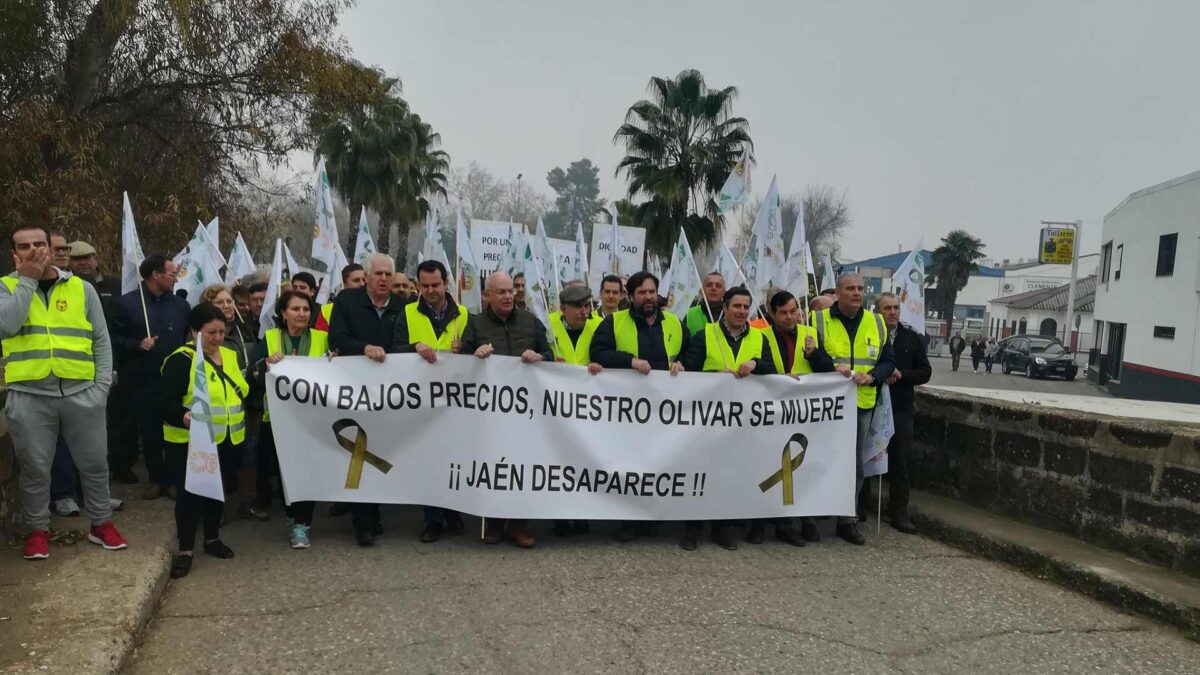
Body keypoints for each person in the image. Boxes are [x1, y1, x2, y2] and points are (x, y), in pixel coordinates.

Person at [2, 225, 128, 560]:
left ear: (52, 247)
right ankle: (38, 530)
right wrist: (27, 279)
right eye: (24, 246)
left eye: (39, 244)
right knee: (34, 468)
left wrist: (100, 388)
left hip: (81, 392)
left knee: (94, 464)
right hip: (29, 395)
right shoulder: (5, 287)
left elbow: (101, 340)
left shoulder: (81, 289)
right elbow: (7, 325)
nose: (33, 251)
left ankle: (101, 523)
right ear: (15, 254)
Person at [459, 271, 555, 548]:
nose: (507, 296)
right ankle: (493, 522)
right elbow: (461, 361)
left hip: (527, 413)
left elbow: (548, 354)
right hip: (491, 413)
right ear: (486, 295)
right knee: (493, 465)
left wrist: (539, 356)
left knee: (522, 467)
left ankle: (519, 525)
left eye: (510, 291)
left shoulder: (530, 322)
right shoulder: (476, 325)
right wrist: (473, 356)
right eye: (500, 292)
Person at [592, 271, 689, 543]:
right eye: (642, 293)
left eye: (652, 292)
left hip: (665, 411)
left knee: (659, 461)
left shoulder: (674, 323)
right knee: (630, 464)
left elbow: (688, 353)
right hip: (627, 413)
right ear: (631, 296)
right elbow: (598, 352)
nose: (648, 297)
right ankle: (628, 520)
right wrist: (629, 361)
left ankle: (653, 517)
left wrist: (682, 363)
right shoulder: (614, 322)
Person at [682, 286, 777, 551]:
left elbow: (773, 371)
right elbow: (690, 371)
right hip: (707, 420)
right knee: (700, 472)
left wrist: (756, 364)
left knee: (729, 474)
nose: (742, 311)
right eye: (737, 306)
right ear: (724, 307)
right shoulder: (705, 335)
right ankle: (693, 527)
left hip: (743, 423)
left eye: (746, 307)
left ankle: (722, 527)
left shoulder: (759, 339)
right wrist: (714, 376)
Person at [160, 303, 249, 578]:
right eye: (211, 332)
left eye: (222, 332)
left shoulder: (231, 356)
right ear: (195, 331)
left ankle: (212, 539)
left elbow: (241, 390)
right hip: (191, 443)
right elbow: (164, 402)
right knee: (190, 497)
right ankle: (185, 549)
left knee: (216, 492)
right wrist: (184, 416)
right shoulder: (181, 360)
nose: (218, 338)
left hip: (226, 439)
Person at [328, 253, 407, 546]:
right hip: (356, 390)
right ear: (368, 275)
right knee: (362, 448)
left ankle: (374, 513)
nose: (384, 279)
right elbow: (336, 339)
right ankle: (364, 522)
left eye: (389, 274)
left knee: (383, 451)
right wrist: (365, 348)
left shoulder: (403, 306)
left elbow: (402, 345)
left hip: (391, 393)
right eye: (378, 274)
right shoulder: (346, 301)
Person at [811, 272, 895, 545]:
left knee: (854, 466)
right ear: (838, 292)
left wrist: (873, 376)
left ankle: (847, 520)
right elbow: (812, 356)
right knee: (817, 460)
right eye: (850, 288)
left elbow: (888, 360)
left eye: (860, 288)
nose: (857, 293)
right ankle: (810, 518)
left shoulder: (877, 323)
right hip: (825, 405)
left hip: (860, 404)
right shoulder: (819, 319)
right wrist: (832, 366)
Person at [388, 260, 468, 543]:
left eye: (436, 285)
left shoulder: (465, 315)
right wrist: (414, 347)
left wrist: (466, 348)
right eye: (425, 286)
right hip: (420, 401)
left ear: (445, 283)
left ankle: (453, 513)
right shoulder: (407, 313)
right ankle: (433, 519)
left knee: (454, 460)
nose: (431, 290)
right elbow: (394, 350)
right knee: (429, 461)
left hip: (456, 403)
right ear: (418, 286)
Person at [247, 290, 330, 549]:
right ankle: (292, 517)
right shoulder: (270, 338)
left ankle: (302, 524)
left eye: (305, 309)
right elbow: (252, 374)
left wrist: (334, 361)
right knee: (285, 474)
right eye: (295, 309)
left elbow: (338, 371)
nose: (302, 314)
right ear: (283, 313)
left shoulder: (322, 338)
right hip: (278, 420)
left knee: (308, 471)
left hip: (312, 420)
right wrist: (265, 364)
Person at [110, 254, 191, 499]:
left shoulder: (181, 305)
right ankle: (157, 478)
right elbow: (112, 339)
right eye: (172, 274)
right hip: (142, 379)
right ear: (155, 275)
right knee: (150, 431)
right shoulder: (126, 304)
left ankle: (176, 480)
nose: (175, 278)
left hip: (175, 382)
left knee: (176, 430)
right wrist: (137, 344)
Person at [757, 290, 835, 545]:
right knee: (775, 464)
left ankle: (808, 520)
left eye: (793, 311)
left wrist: (815, 354)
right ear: (772, 313)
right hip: (774, 410)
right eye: (784, 312)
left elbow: (827, 370)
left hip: (805, 413)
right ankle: (782, 523)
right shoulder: (762, 337)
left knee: (805, 466)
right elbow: (761, 367)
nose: (790, 317)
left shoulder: (810, 335)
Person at [868, 292, 931, 534]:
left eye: (896, 308)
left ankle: (899, 511)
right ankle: (860, 507)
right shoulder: (871, 334)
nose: (893, 312)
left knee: (900, 461)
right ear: (878, 311)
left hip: (900, 408)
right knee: (866, 456)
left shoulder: (911, 338)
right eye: (887, 308)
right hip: (871, 404)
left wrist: (901, 375)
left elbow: (925, 372)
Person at [547, 284, 603, 537]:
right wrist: (547, 360)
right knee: (557, 462)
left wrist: (601, 365)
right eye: (578, 307)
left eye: (587, 306)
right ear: (562, 309)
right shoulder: (547, 325)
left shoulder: (599, 326)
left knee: (583, 461)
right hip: (554, 408)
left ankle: (582, 513)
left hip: (587, 408)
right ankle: (559, 515)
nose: (584, 312)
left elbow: (608, 355)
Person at [67, 241, 121, 315]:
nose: (82, 263)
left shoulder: (116, 285)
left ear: (96, 259)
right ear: (67, 262)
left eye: (86, 258)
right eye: (77, 259)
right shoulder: (63, 286)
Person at [315, 263, 365, 331]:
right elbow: (319, 340)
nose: (362, 284)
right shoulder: (327, 311)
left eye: (364, 280)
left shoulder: (376, 309)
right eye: (356, 280)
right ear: (343, 284)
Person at [685, 272, 726, 337]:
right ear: (702, 291)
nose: (713, 288)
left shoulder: (732, 315)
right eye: (709, 285)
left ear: (724, 292)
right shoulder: (688, 314)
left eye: (718, 286)